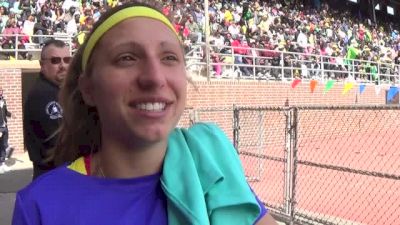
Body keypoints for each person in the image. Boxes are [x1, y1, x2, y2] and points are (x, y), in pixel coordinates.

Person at [13, 2, 278, 225]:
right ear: (89, 89)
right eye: (127, 57)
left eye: (169, 58)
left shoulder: (213, 173)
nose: (154, 77)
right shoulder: (40, 206)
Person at [23, 39, 71, 180]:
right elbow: (60, 143)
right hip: (53, 178)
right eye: (55, 61)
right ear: (42, 65)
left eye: (67, 60)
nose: (63, 65)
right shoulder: (44, 95)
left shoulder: (57, 91)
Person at [0, 88, 12, 174]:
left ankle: (3, 163)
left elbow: (6, 112)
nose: (1, 92)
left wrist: (11, 115)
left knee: (4, 145)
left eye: (1, 91)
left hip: (5, 127)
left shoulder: (3, 100)